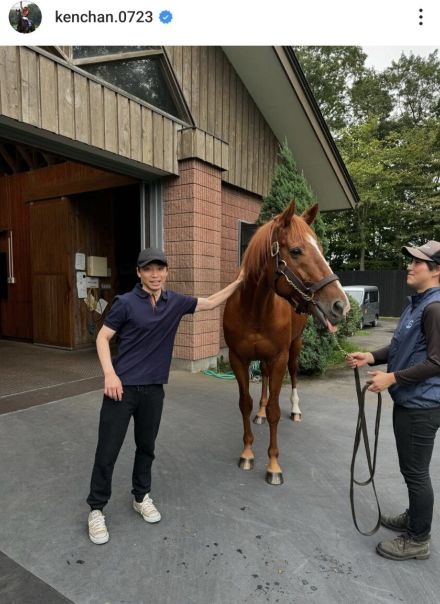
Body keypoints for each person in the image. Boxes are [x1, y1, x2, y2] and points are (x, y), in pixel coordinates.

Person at [87, 247, 243, 544]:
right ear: (139, 273)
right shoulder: (125, 303)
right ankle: (96, 509)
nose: (155, 275)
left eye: (160, 269)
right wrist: (110, 374)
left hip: (153, 390)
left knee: (146, 447)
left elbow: (210, 303)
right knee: (107, 451)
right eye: (148, 269)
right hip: (122, 389)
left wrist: (239, 282)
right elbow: (103, 337)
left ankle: (141, 496)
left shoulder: (175, 302)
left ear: (167, 272)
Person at [347, 240, 440, 561]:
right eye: (410, 261)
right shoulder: (417, 304)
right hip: (412, 401)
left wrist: (392, 378)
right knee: (411, 468)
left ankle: (418, 539)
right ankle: (414, 518)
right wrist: (370, 356)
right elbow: (400, 347)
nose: (410, 266)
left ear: (436, 270)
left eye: (418, 262)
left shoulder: (435, 308)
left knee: (415, 473)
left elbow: (437, 362)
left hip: (422, 405)